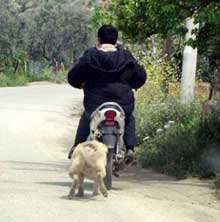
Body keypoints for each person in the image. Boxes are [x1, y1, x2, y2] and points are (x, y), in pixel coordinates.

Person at [67, 25, 147, 159]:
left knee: (87, 117)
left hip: (95, 102)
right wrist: (132, 85)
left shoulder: (90, 55)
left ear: (98, 39)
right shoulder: (126, 56)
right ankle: (130, 149)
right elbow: (141, 76)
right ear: (116, 40)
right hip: (123, 101)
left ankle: (77, 147)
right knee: (128, 118)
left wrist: (80, 84)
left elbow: (74, 76)